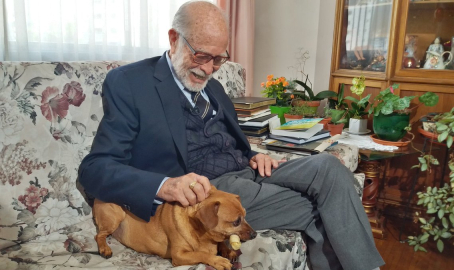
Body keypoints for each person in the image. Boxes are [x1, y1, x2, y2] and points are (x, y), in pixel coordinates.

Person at [78, 1, 384, 269]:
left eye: (218, 59)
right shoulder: (131, 83)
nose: (210, 69)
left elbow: (230, 141)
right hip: (211, 190)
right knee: (323, 207)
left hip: (249, 172)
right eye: (201, 56)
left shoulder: (214, 87)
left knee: (329, 167)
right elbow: (95, 169)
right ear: (174, 39)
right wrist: (165, 186)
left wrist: (255, 156)